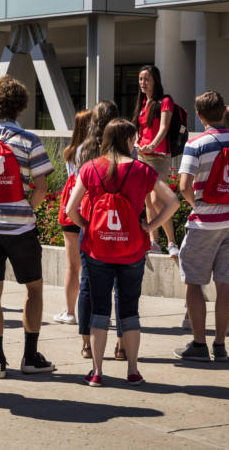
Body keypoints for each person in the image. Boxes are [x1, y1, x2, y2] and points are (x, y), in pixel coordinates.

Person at [65, 118, 179, 387]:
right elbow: (172, 202)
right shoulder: (142, 170)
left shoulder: (90, 168)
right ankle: (133, 369)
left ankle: (96, 371)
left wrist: (88, 226)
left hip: (98, 250)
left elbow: (71, 209)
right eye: (134, 139)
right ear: (128, 141)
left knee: (99, 311)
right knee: (129, 310)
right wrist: (150, 226)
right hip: (132, 250)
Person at [0, 76, 56, 378]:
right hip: (20, 228)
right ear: (21, 105)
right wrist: (27, 209)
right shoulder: (28, 140)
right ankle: (30, 357)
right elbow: (41, 186)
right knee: (34, 288)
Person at [173, 91, 229, 363]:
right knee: (225, 283)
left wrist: (198, 204)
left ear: (199, 116)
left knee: (194, 283)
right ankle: (220, 346)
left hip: (204, 224)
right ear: (224, 111)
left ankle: (199, 344)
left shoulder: (196, 144)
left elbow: (184, 185)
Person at [75, 101, 121, 360]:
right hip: (120, 224)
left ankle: (86, 343)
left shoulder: (83, 150)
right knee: (121, 285)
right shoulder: (125, 151)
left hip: (91, 222)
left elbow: (76, 192)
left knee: (88, 285)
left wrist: (83, 223)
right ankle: (121, 345)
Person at [131, 65, 178, 256]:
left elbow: (164, 128)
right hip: (142, 156)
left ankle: (172, 243)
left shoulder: (165, 101)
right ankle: (154, 242)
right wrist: (136, 141)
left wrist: (152, 145)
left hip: (158, 157)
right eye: (141, 79)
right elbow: (137, 128)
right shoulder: (143, 102)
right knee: (148, 200)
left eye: (146, 79)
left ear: (155, 80)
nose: (143, 83)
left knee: (159, 199)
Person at [53, 109, 92, 326]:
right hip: (89, 209)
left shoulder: (71, 151)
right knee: (92, 266)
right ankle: (92, 310)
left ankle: (70, 312)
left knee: (72, 266)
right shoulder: (95, 151)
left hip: (71, 210)